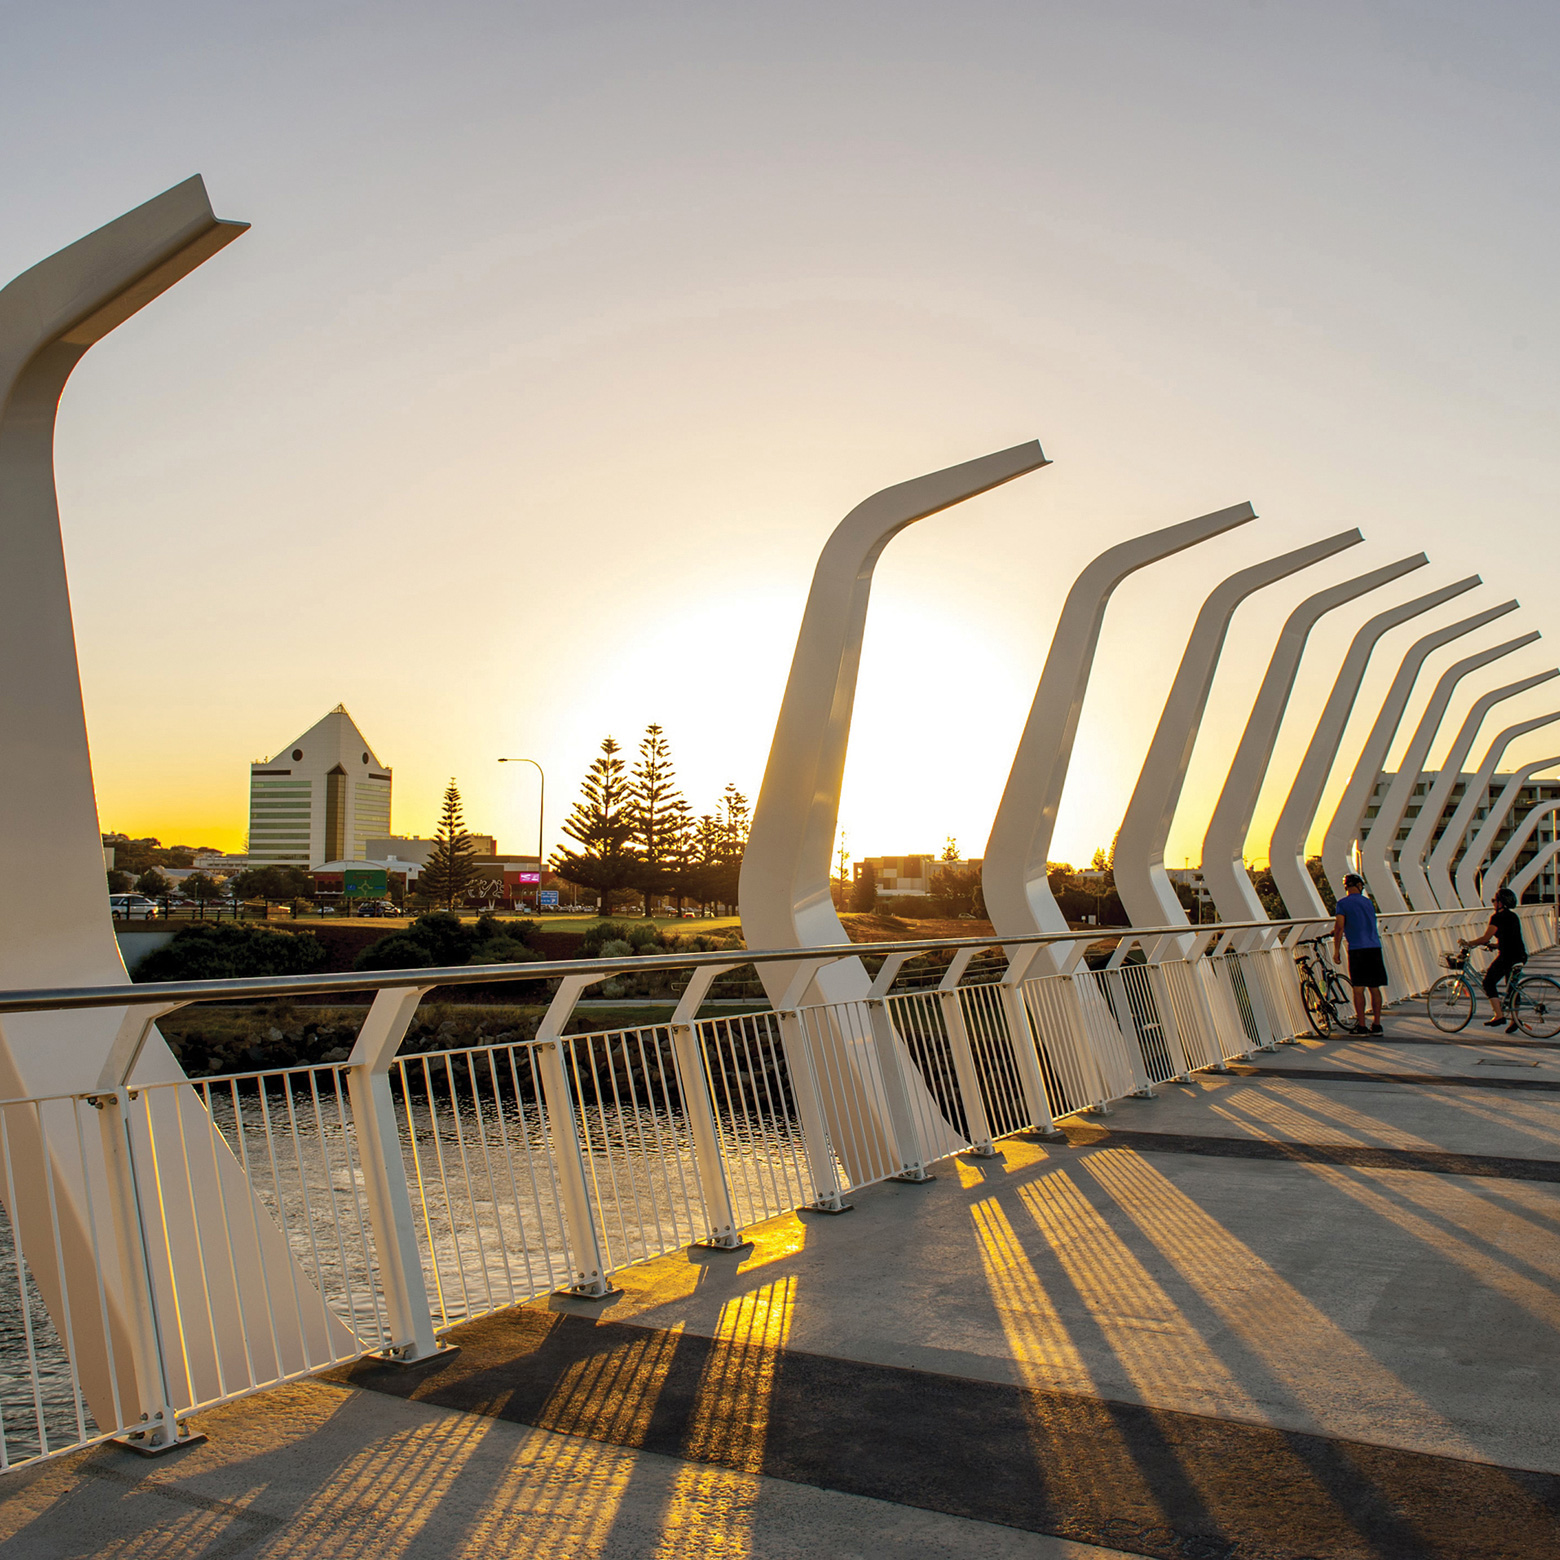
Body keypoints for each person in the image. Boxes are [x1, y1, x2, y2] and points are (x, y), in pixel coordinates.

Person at [1460, 886, 1528, 1033]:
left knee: (1488, 982)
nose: (1493, 903)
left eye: (1494, 901)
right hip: (1520, 955)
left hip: (1508, 957)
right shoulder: (1513, 916)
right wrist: (1496, 945)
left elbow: (1485, 937)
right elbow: (1511, 939)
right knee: (1512, 988)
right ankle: (1515, 1019)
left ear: (1500, 903)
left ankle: (1498, 1015)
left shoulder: (1497, 918)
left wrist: (1469, 943)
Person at [1332, 873, 1386, 1034]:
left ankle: (1361, 1025)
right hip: (1374, 947)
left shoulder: (1343, 904)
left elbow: (1340, 926)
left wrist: (1336, 950)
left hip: (1357, 949)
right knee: (1374, 988)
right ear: (1358, 885)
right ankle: (1377, 1024)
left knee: (1358, 989)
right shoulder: (1368, 903)